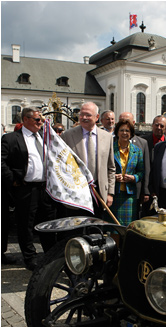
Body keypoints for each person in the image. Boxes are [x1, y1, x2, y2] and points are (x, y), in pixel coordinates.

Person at [1, 107, 57, 270]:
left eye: (41, 120)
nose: (41, 123)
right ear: (25, 120)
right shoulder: (11, 139)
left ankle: (50, 254)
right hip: (26, 188)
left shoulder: (43, 137)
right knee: (26, 224)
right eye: (37, 120)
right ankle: (30, 257)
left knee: (48, 223)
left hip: (45, 188)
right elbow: (1, 161)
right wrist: (13, 180)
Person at [61, 102, 115, 218]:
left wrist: (110, 193)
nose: (84, 118)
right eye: (81, 114)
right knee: (76, 228)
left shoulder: (107, 137)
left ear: (97, 117)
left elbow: (111, 168)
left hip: (99, 192)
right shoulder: (67, 135)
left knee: (95, 231)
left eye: (88, 115)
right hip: (76, 192)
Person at [107, 119, 144, 226]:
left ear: (131, 134)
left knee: (128, 227)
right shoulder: (110, 148)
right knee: (113, 227)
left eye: (127, 131)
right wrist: (112, 177)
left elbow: (141, 172)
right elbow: (104, 169)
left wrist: (134, 178)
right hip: (113, 194)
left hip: (129, 196)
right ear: (117, 132)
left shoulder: (137, 151)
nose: (124, 133)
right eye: (121, 130)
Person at [118, 112, 151, 212]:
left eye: (127, 123)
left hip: (134, 191)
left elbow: (145, 168)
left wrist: (145, 191)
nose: (124, 132)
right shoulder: (111, 144)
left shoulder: (142, 143)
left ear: (133, 123)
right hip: (115, 191)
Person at [140, 115, 166, 216]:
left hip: (163, 189)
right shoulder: (144, 141)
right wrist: (146, 190)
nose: (159, 128)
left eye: (162, 126)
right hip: (148, 189)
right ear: (152, 126)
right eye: (156, 125)